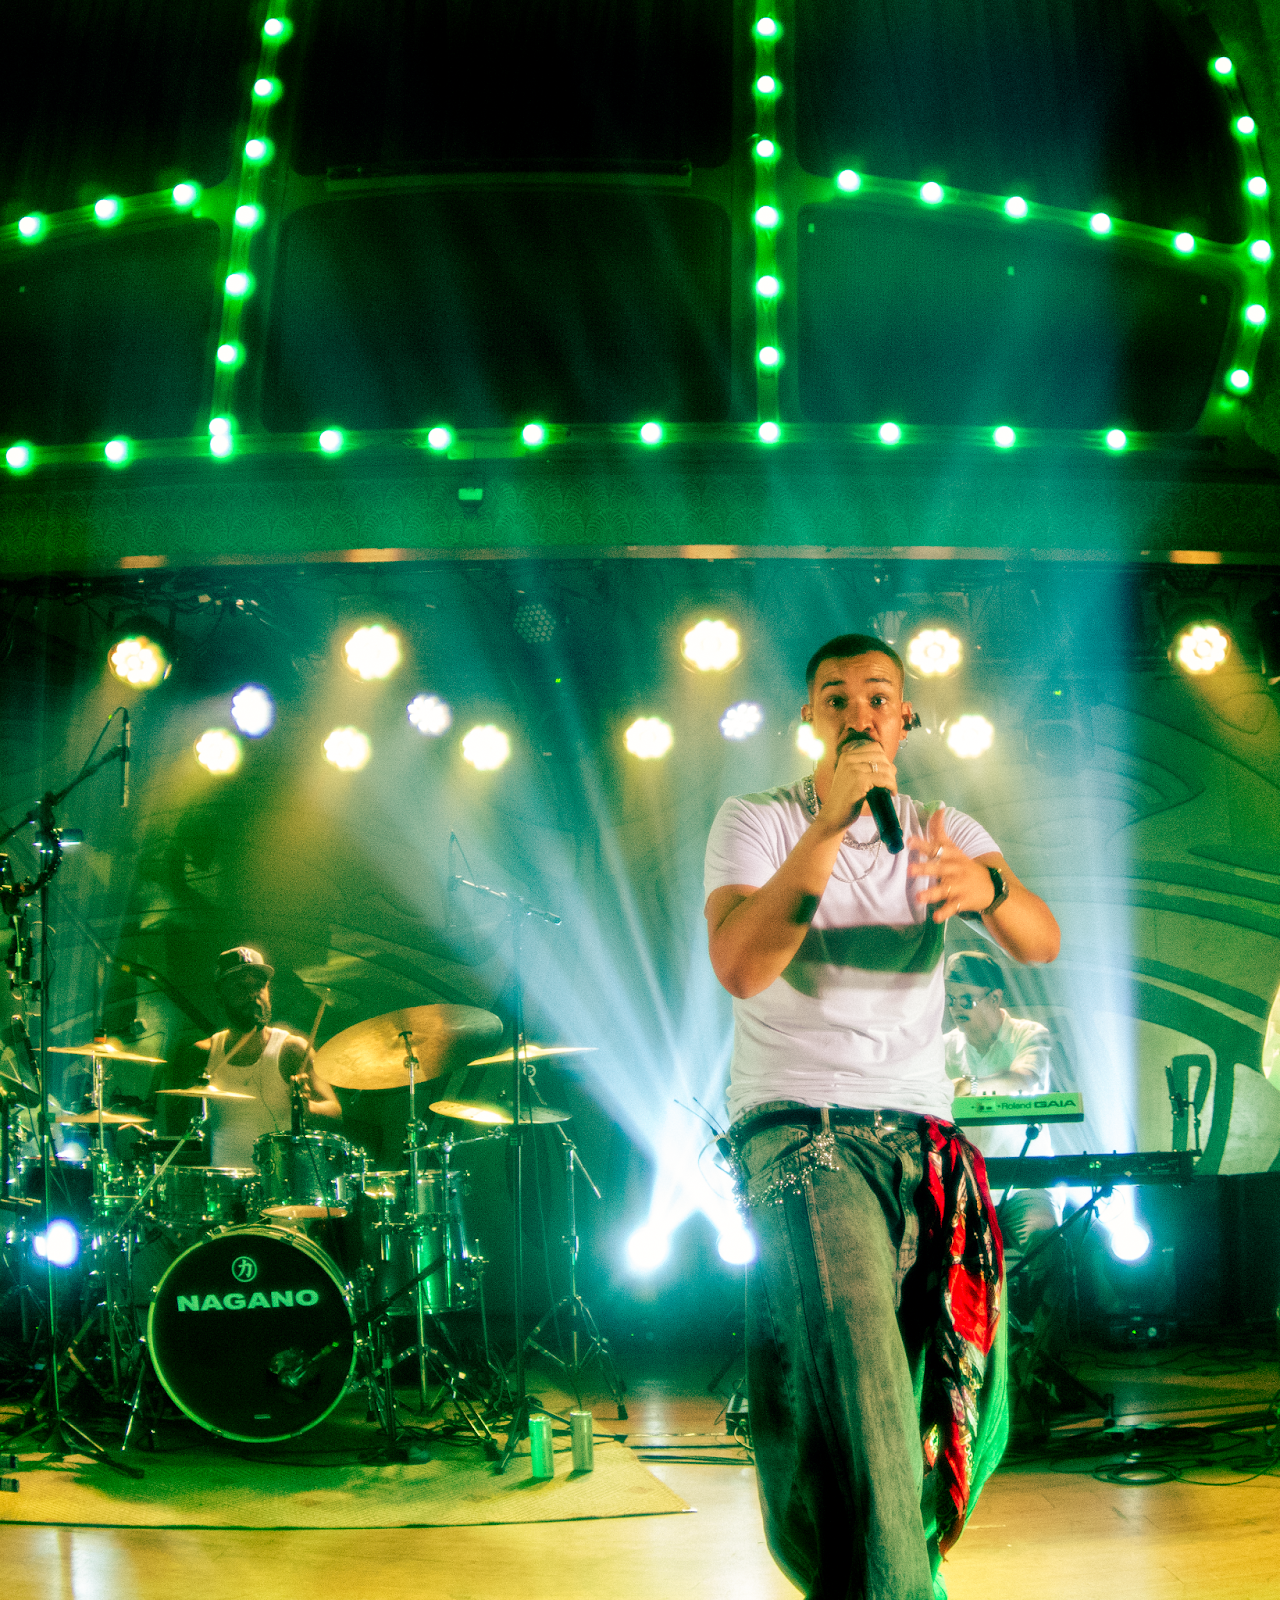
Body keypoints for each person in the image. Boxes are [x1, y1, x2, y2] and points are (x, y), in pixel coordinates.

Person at [704, 632, 1059, 1600]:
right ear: (810, 718)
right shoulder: (759, 821)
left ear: (904, 717)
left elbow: (1038, 938)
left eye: (876, 696)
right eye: (835, 696)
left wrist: (987, 886)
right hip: (801, 1129)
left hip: (922, 1139)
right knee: (863, 1392)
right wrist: (826, 829)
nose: (857, 712)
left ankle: (875, 1573)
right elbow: (739, 964)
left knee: (935, 1397)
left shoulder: (942, 825)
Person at [943, 951, 1060, 1297]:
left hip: (1026, 1182)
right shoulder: (943, 1047)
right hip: (965, 1184)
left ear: (995, 998)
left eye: (966, 999)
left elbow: (1025, 1079)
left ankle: (1044, 1333)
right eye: (951, 999)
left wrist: (968, 1086)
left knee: (1046, 1239)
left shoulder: (1029, 1034)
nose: (956, 1007)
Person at [190, 947, 342, 1168]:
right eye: (241, 987)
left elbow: (335, 1114)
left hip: (278, 1182)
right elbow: (183, 1130)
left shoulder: (292, 1050)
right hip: (222, 1184)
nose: (253, 994)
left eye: (259, 986)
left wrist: (307, 1108)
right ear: (220, 998)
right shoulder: (203, 1053)